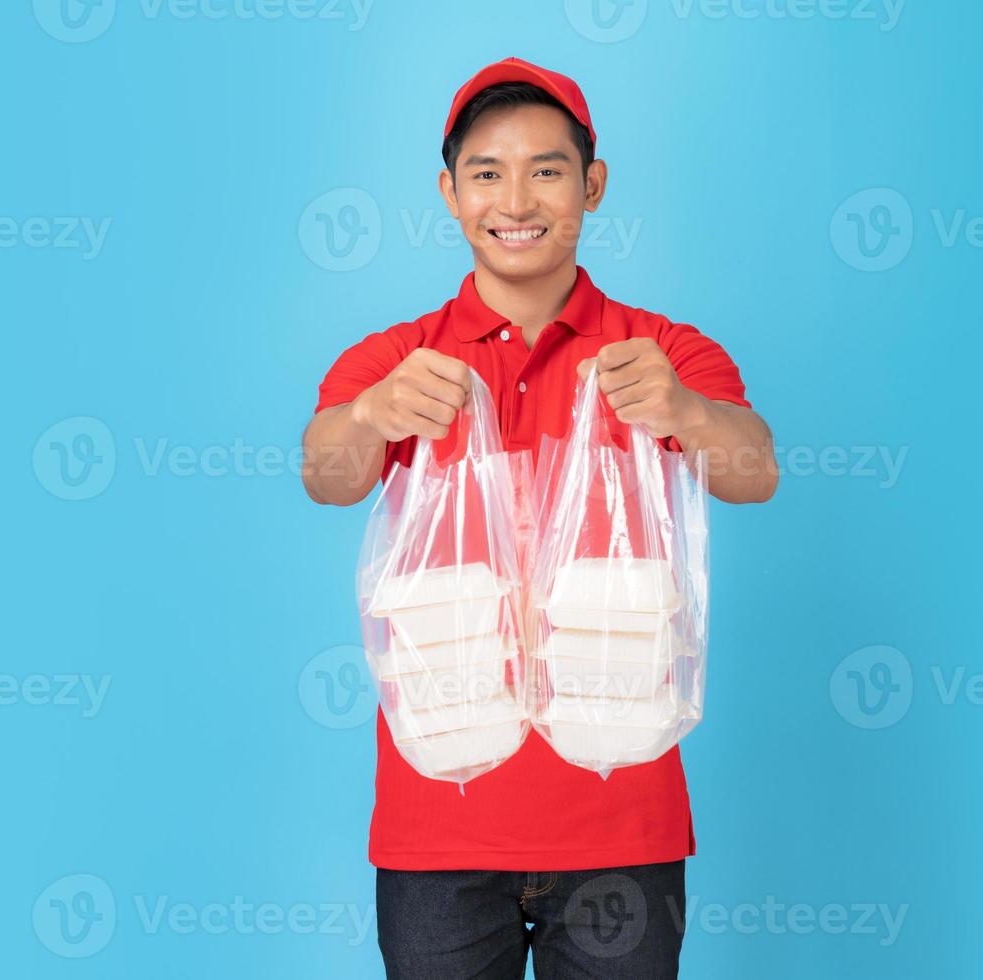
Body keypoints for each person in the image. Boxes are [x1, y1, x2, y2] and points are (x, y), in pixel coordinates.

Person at [301, 57, 778, 979]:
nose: (516, 198)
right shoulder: (400, 358)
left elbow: (754, 472)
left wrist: (683, 413)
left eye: (548, 170)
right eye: (487, 172)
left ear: (592, 186)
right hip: (439, 820)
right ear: (449, 192)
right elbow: (328, 476)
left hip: (620, 815)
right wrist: (369, 416)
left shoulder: (663, 351)